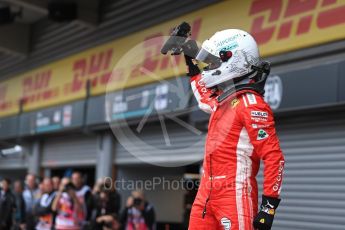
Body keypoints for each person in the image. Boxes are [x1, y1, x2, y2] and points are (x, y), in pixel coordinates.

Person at [163, 25, 285, 230]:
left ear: (235, 59)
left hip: (235, 192)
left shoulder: (252, 104)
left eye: (213, 62)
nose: (209, 68)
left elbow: (274, 157)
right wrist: (188, 54)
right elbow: (203, 97)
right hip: (206, 191)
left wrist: (268, 206)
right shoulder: (223, 102)